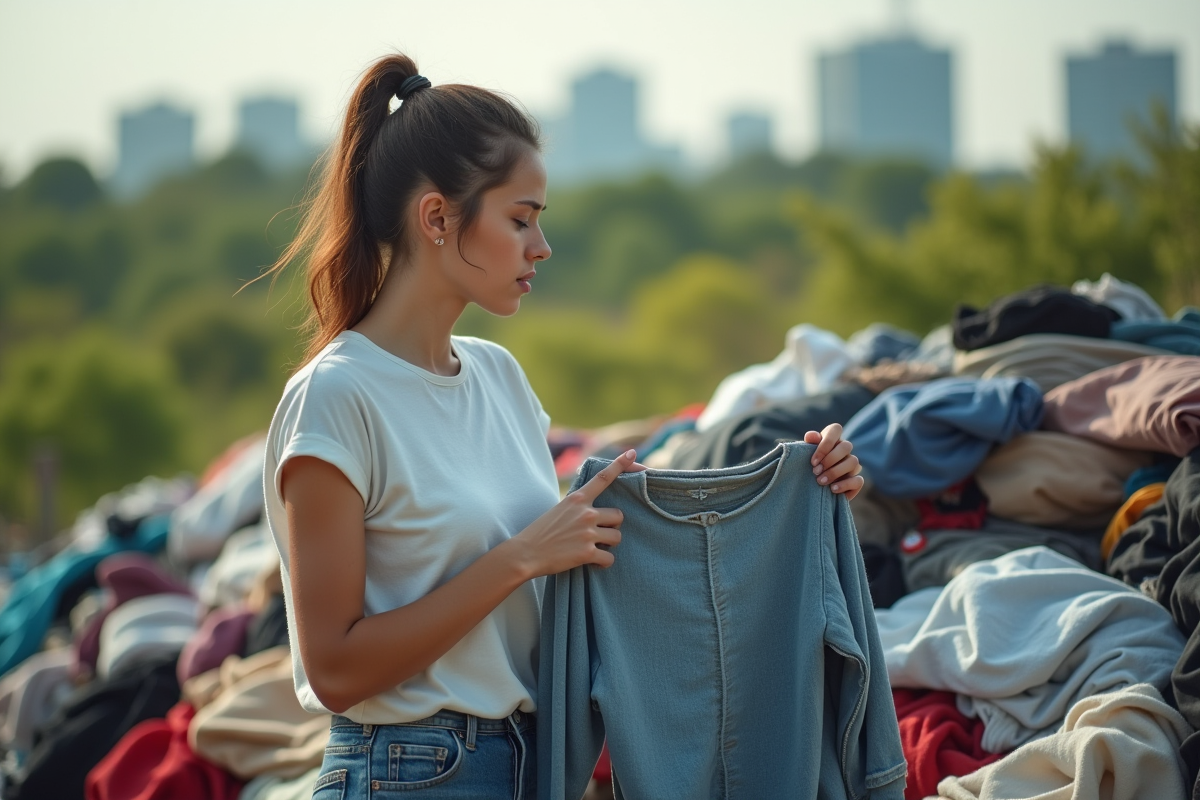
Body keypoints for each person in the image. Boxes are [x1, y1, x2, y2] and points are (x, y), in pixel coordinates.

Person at [262, 53, 865, 800]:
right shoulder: (336, 397)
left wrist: (806, 482)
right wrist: (519, 559)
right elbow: (336, 669)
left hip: (533, 765)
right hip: (408, 772)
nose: (540, 248)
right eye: (520, 221)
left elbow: (565, 567)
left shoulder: (498, 379)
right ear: (438, 218)